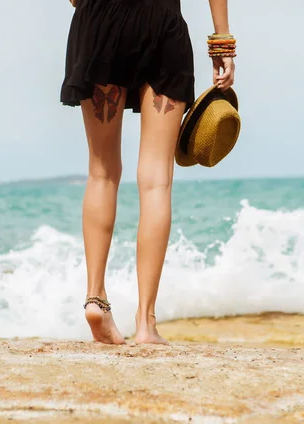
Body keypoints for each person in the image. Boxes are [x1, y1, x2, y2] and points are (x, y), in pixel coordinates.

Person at [61, 0, 235, 345]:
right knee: (155, 180)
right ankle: (146, 322)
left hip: (98, 20)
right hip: (161, 20)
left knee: (101, 172)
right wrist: (222, 42)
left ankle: (96, 300)